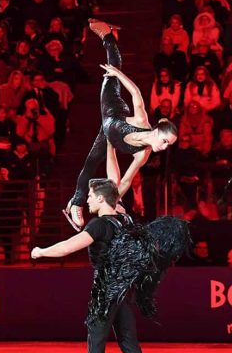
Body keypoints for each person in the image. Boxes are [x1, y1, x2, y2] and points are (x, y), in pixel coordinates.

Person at [31, 178, 189, 353]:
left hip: (105, 291)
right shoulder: (125, 219)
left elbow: (67, 247)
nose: (88, 200)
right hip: (124, 289)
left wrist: (40, 252)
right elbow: (117, 185)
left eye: (92, 196)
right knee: (129, 343)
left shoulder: (98, 225)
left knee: (96, 342)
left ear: (102, 199)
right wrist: (109, 145)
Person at [64, 20, 177, 230]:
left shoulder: (143, 154)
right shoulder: (143, 121)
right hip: (113, 107)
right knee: (113, 67)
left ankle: (75, 203)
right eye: (165, 141)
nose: (164, 146)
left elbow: (123, 181)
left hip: (109, 135)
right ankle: (107, 35)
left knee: (91, 164)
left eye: (168, 145)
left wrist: (114, 199)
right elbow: (136, 93)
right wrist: (118, 75)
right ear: (158, 131)